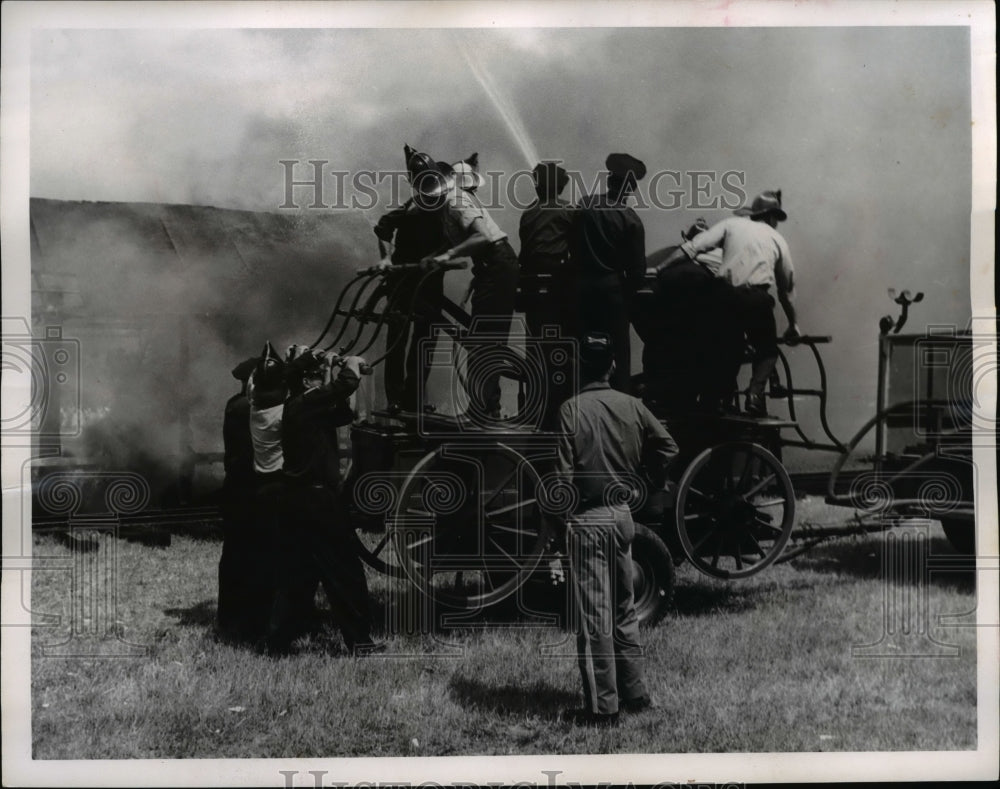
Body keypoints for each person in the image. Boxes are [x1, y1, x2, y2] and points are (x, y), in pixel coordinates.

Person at [555, 332, 679, 726]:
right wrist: (650, 478)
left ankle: (602, 709)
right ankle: (637, 694)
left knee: (595, 616)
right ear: (611, 365)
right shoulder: (633, 406)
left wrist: (561, 529)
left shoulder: (571, 411)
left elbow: (560, 483)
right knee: (625, 609)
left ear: (580, 367)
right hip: (622, 516)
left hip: (587, 519)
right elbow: (669, 447)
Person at [267, 350, 380, 656]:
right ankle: (361, 644)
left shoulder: (301, 406)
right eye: (317, 375)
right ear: (306, 380)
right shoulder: (305, 403)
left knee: (297, 576)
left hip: (299, 500)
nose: (322, 379)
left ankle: (276, 644)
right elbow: (342, 387)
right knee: (346, 572)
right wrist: (352, 366)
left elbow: (341, 412)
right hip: (317, 500)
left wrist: (330, 366)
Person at [655, 190, 801, 416]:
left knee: (727, 349)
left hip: (723, 296)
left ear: (754, 213)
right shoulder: (777, 239)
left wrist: (660, 268)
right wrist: (793, 324)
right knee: (767, 350)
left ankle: (715, 401)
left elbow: (691, 247)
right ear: (772, 216)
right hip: (756, 297)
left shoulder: (731, 225)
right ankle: (754, 395)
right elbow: (787, 289)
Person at [426, 153, 520, 420]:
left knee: (484, 343)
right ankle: (485, 407)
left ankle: (485, 410)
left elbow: (482, 236)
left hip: (497, 265)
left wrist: (448, 255)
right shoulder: (451, 204)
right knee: (483, 342)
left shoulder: (456, 200)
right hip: (491, 267)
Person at [373, 145, 451, 411]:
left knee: (425, 339)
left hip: (429, 282)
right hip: (404, 281)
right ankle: (396, 400)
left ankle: (414, 399)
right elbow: (383, 227)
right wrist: (385, 259)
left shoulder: (443, 205)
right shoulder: (411, 207)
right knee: (398, 339)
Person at [570, 153, 647, 393]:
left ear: (609, 180)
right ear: (631, 188)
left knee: (581, 347)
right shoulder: (631, 220)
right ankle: (619, 400)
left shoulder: (584, 205)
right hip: (612, 291)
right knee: (618, 351)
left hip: (580, 289)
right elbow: (637, 271)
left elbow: (571, 244)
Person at [217, 355, 269, 643]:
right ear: (250, 381)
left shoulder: (237, 405)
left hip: (241, 490)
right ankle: (237, 622)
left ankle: (237, 620)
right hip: (243, 491)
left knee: (242, 557)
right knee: (241, 558)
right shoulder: (242, 408)